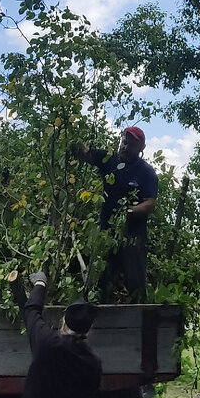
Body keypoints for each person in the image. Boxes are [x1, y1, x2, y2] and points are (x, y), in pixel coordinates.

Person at [72, 127, 158, 303]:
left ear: (141, 147)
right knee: (103, 278)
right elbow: (86, 154)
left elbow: (150, 203)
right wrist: (71, 137)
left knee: (134, 281)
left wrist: (128, 212)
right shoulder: (109, 160)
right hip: (106, 234)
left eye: (131, 145)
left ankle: (136, 316)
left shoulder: (146, 173)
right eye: (124, 142)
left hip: (133, 236)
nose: (125, 147)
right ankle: (102, 317)